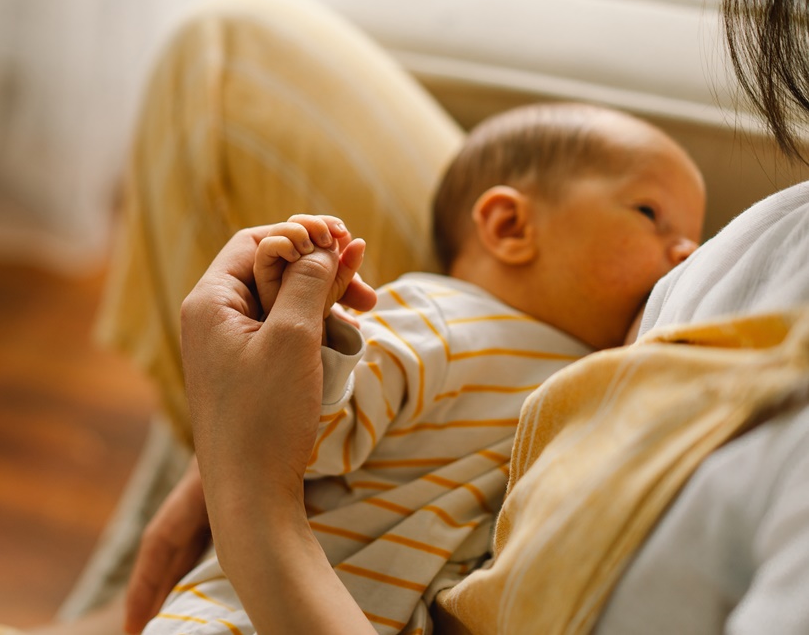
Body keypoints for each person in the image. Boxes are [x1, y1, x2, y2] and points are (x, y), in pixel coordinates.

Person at [141, 102, 704, 635]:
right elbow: (297, 436)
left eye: (695, 241)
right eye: (651, 214)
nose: (687, 254)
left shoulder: (590, 373)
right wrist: (318, 338)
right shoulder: (439, 319)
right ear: (510, 226)